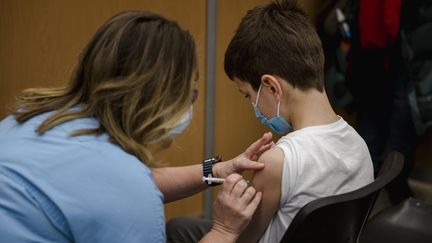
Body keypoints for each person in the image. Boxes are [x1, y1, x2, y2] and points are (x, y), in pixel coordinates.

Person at [0, 11, 274, 243]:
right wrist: (224, 231)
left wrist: (215, 171)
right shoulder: (125, 189)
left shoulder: (31, 119)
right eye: (189, 95)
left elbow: (107, 184)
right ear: (162, 97)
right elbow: (122, 187)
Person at [166, 1, 374, 242]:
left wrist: (226, 217)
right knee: (182, 226)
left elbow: (240, 239)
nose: (252, 105)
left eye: (248, 95)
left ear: (271, 86)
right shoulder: (360, 145)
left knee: (176, 229)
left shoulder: (278, 162)